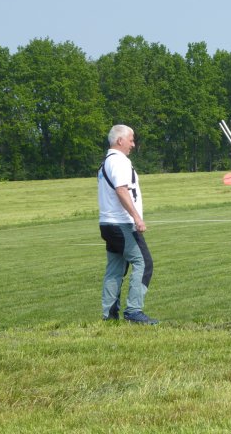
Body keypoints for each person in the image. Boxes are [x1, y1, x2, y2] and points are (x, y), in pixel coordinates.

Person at [97, 124, 157, 324]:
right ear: (120, 140)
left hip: (107, 224)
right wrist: (137, 218)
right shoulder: (119, 162)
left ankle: (109, 315)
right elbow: (121, 190)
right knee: (144, 263)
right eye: (131, 140)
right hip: (121, 224)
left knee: (115, 268)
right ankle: (134, 311)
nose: (133, 144)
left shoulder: (106, 162)